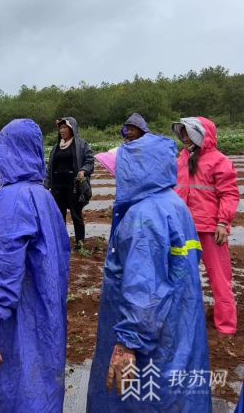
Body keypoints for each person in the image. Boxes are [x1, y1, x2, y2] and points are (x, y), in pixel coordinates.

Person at [86, 133, 211, 412]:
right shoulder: (174, 205)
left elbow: (145, 291)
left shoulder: (142, 217)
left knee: (142, 400)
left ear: (137, 171)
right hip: (177, 326)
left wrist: (127, 345)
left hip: (150, 340)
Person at [0, 119, 71, 412]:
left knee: (20, 389)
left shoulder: (12, 199)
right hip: (43, 312)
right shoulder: (43, 196)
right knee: (42, 384)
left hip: (17, 319)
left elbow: (5, 267)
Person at [173, 117, 239, 337]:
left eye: (187, 133)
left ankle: (226, 327)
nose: (184, 137)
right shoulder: (182, 159)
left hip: (211, 229)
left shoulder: (219, 160)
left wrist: (222, 222)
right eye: (182, 133)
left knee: (220, 279)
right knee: (183, 275)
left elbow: (229, 194)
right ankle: (185, 320)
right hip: (185, 228)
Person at [44, 117, 94, 250]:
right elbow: (50, 168)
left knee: (76, 215)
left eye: (65, 127)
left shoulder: (82, 145)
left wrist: (83, 171)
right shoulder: (56, 147)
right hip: (57, 188)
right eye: (60, 128)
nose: (62, 130)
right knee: (59, 216)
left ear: (72, 128)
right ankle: (61, 242)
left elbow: (89, 161)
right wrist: (47, 184)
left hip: (74, 187)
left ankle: (80, 243)